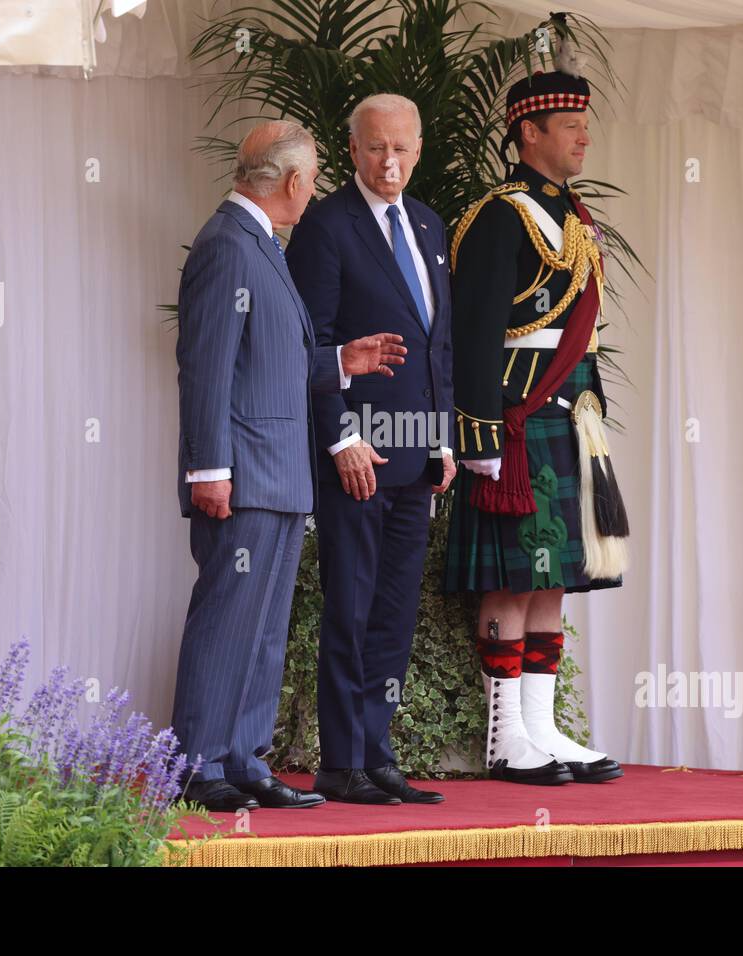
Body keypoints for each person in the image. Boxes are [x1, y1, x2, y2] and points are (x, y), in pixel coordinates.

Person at [171, 120, 408, 812]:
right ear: (295, 182)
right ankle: (198, 765)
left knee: (264, 631)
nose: (314, 194)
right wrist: (208, 469)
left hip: (276, 476)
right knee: (225, 623)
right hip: (242, 475)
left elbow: (269, 361)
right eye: (313, 182)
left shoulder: (259, 246)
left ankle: (243, 759)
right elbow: (205, 367)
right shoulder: (227, 245)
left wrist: (341, 361)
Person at [445, 57, 630, 785]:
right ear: (530, 130)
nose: (584, 138)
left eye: (587, 125)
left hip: (571, 414)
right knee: (515, 579)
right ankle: (504, 738)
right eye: (571, 126)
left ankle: (543, 730)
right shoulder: (501, 215)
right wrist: (481, 433)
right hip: (517, 420)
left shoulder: (571, 213)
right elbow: (477, 329)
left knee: (555, 579)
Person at [286, 94, 454, 806]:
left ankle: (378, 755)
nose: (390, 162)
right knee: (351, 605)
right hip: (358, 452)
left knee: (393, 611)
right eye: (376, 147)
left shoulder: (428, 223)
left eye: (403, 148)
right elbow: (312, 343)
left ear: (419, 149)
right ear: (352, 149)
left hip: (417, 454)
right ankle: (342, 762)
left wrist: (445, 435)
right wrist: (342, 436)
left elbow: (436, 343)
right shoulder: (326, 228)